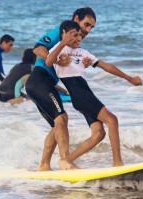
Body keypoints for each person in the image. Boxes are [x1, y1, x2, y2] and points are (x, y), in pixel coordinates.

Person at [46, 20, 143, 169]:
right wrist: (63, 43)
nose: (78, 38)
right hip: (79, 94)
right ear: (64, 35)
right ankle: (117, 164)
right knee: (112, 120)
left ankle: (66, 160)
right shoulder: (60, 50)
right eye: (74, 35)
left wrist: (129, 78)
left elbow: (106, 66)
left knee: (98, 133)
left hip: (86, 92)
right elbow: (48, 61)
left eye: (79, 35)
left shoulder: (83, 52)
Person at [26, 7, 102, 171]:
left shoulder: (74, 42)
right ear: (76, 18)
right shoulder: (59, 31)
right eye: (86, 24)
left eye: (91, 27)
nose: (88, 30)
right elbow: (37, 48)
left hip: (45, 83)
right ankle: (66, 163)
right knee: (61, 118)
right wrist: (54, 61)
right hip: (39, 79)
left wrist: (84, 64)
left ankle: (44, 165)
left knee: (57, 125)